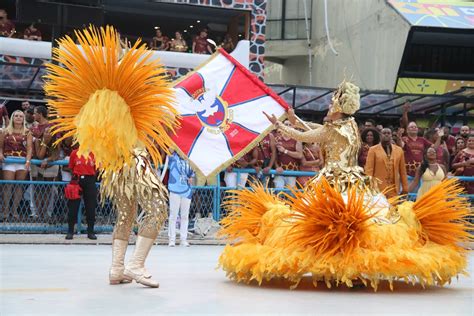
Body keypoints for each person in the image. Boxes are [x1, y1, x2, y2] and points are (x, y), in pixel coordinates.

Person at [219, 80, 472, 290]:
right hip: (354, 180)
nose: (330, 105)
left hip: (333, 183)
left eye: (333, 102)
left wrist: (280, 125)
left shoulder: (334, 129)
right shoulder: (350, 125)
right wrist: (293, 119)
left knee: (328, 228)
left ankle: (331, 270)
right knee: (364, 225)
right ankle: (350, 271)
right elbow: (319, 129)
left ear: (339, 107)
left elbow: (308, 136)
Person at [45, 26, 178, 288]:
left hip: (115, 165)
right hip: (132, 160)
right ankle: (136, 264)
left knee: (125, 215)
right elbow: (164, 117)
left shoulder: (101, 99)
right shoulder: (122, 94)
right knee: (158, 207)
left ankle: (117, 269)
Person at [0, 110, 33, 221]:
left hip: (22, 162)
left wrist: (28, 161)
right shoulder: (5, 131)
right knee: (7, 186)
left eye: (21, 116)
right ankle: (5, 211)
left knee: (19, 187)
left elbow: (29, 149)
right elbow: (0, 146)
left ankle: (14, 211)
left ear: (23, 119)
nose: (18, 118)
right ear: (12, 118)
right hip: (8, 161)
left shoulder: (27, 132)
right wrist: (0, 154)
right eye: (16, 116)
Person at [365, 128, 408, 198]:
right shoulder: (373, 150)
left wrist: (405, 188)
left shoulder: (399, 150)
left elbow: (403, 171)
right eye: (384, 133)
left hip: (393, 188)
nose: (386, 135)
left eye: (388, 133)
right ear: (380, 135)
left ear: (391, 135)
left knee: (394, 208)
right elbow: (369, 171)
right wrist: (368, 187)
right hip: (378, 189)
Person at [65, 148, 97, 240]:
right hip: (77, 179)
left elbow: (97, 168)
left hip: (90, 180)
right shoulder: (74, 153)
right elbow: (71, 167)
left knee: (90, 206)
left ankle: (90, 231)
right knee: (73, 206)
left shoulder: (94, 153)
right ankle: (70, 231)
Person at [167, 151, 195, 247]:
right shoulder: (173, 156)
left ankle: (183, 239)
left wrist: (191, 179)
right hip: (174, 189)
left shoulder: (191, 158)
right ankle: (172, 239)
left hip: (187, 190)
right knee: (173, 215)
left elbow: (192, 175)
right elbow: (169, 147)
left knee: (185, 216)